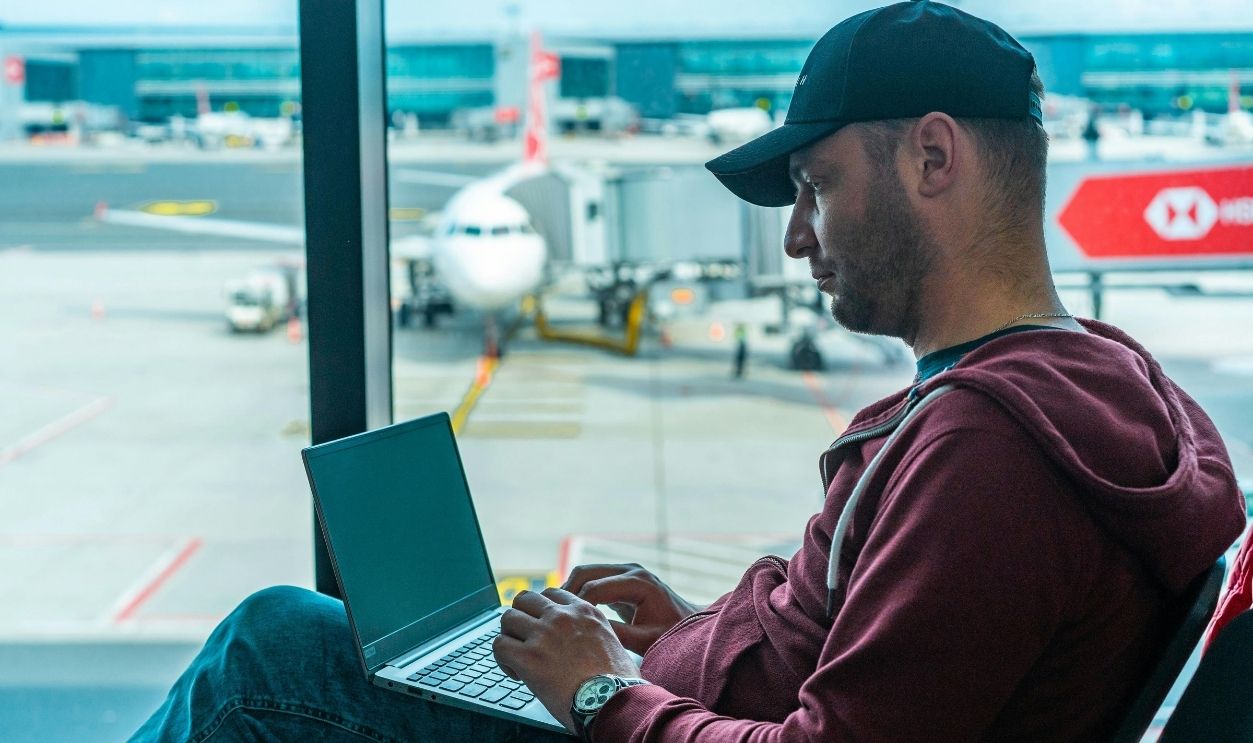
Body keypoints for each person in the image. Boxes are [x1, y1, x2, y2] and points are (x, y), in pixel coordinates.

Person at [132, 2, 1246, 741]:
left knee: (268, 645)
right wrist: (689, 630)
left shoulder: (990, 455)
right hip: (680, 695)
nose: (795, 238)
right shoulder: (1110, 380)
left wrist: (603, 688)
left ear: (931, 157)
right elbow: (885, 664)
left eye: (814, 185)